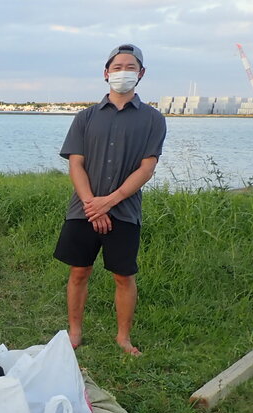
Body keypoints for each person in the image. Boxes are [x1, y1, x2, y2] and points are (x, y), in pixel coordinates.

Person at [54, 44, 166, 355]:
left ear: (141, 73)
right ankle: (74, 331)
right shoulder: (86, 117)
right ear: (106, 73)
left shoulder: (153, 119)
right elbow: (76, 163)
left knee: (123, 275)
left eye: (130, 67)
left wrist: (109, 201)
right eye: (117, 67)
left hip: (125, 211)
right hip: (83, 209)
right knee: (79, 271)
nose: (123, 72)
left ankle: (123, 337)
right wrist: (93, 204)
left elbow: (147, 167)